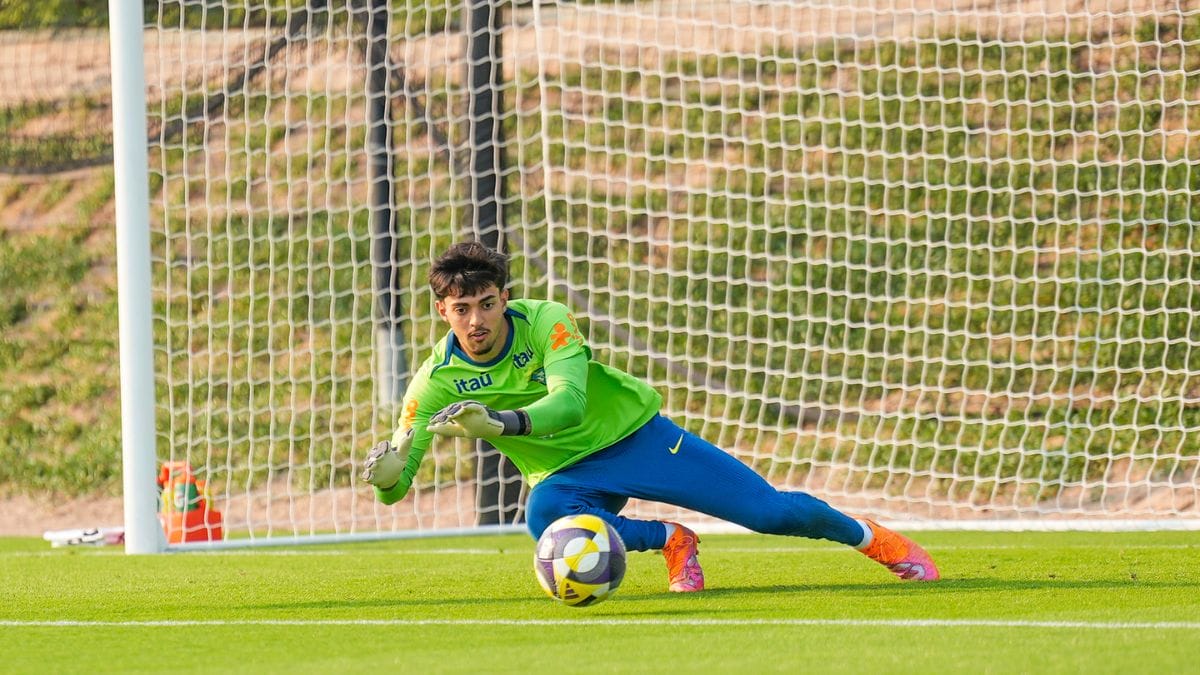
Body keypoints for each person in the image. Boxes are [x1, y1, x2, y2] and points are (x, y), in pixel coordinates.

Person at [361, 241, 940, 591]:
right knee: (548, 524)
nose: (477, 320)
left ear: (504, 297)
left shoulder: (547, 322)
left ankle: (877, 542)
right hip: (567, 476)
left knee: (769, 514)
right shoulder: (434, 382)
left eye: (487, 304)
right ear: (443, 311)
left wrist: (503, 425)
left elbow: (569, 403)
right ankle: (669, 539)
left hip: (637, 439)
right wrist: (389, 478)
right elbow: (400, 474)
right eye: (461, 310)